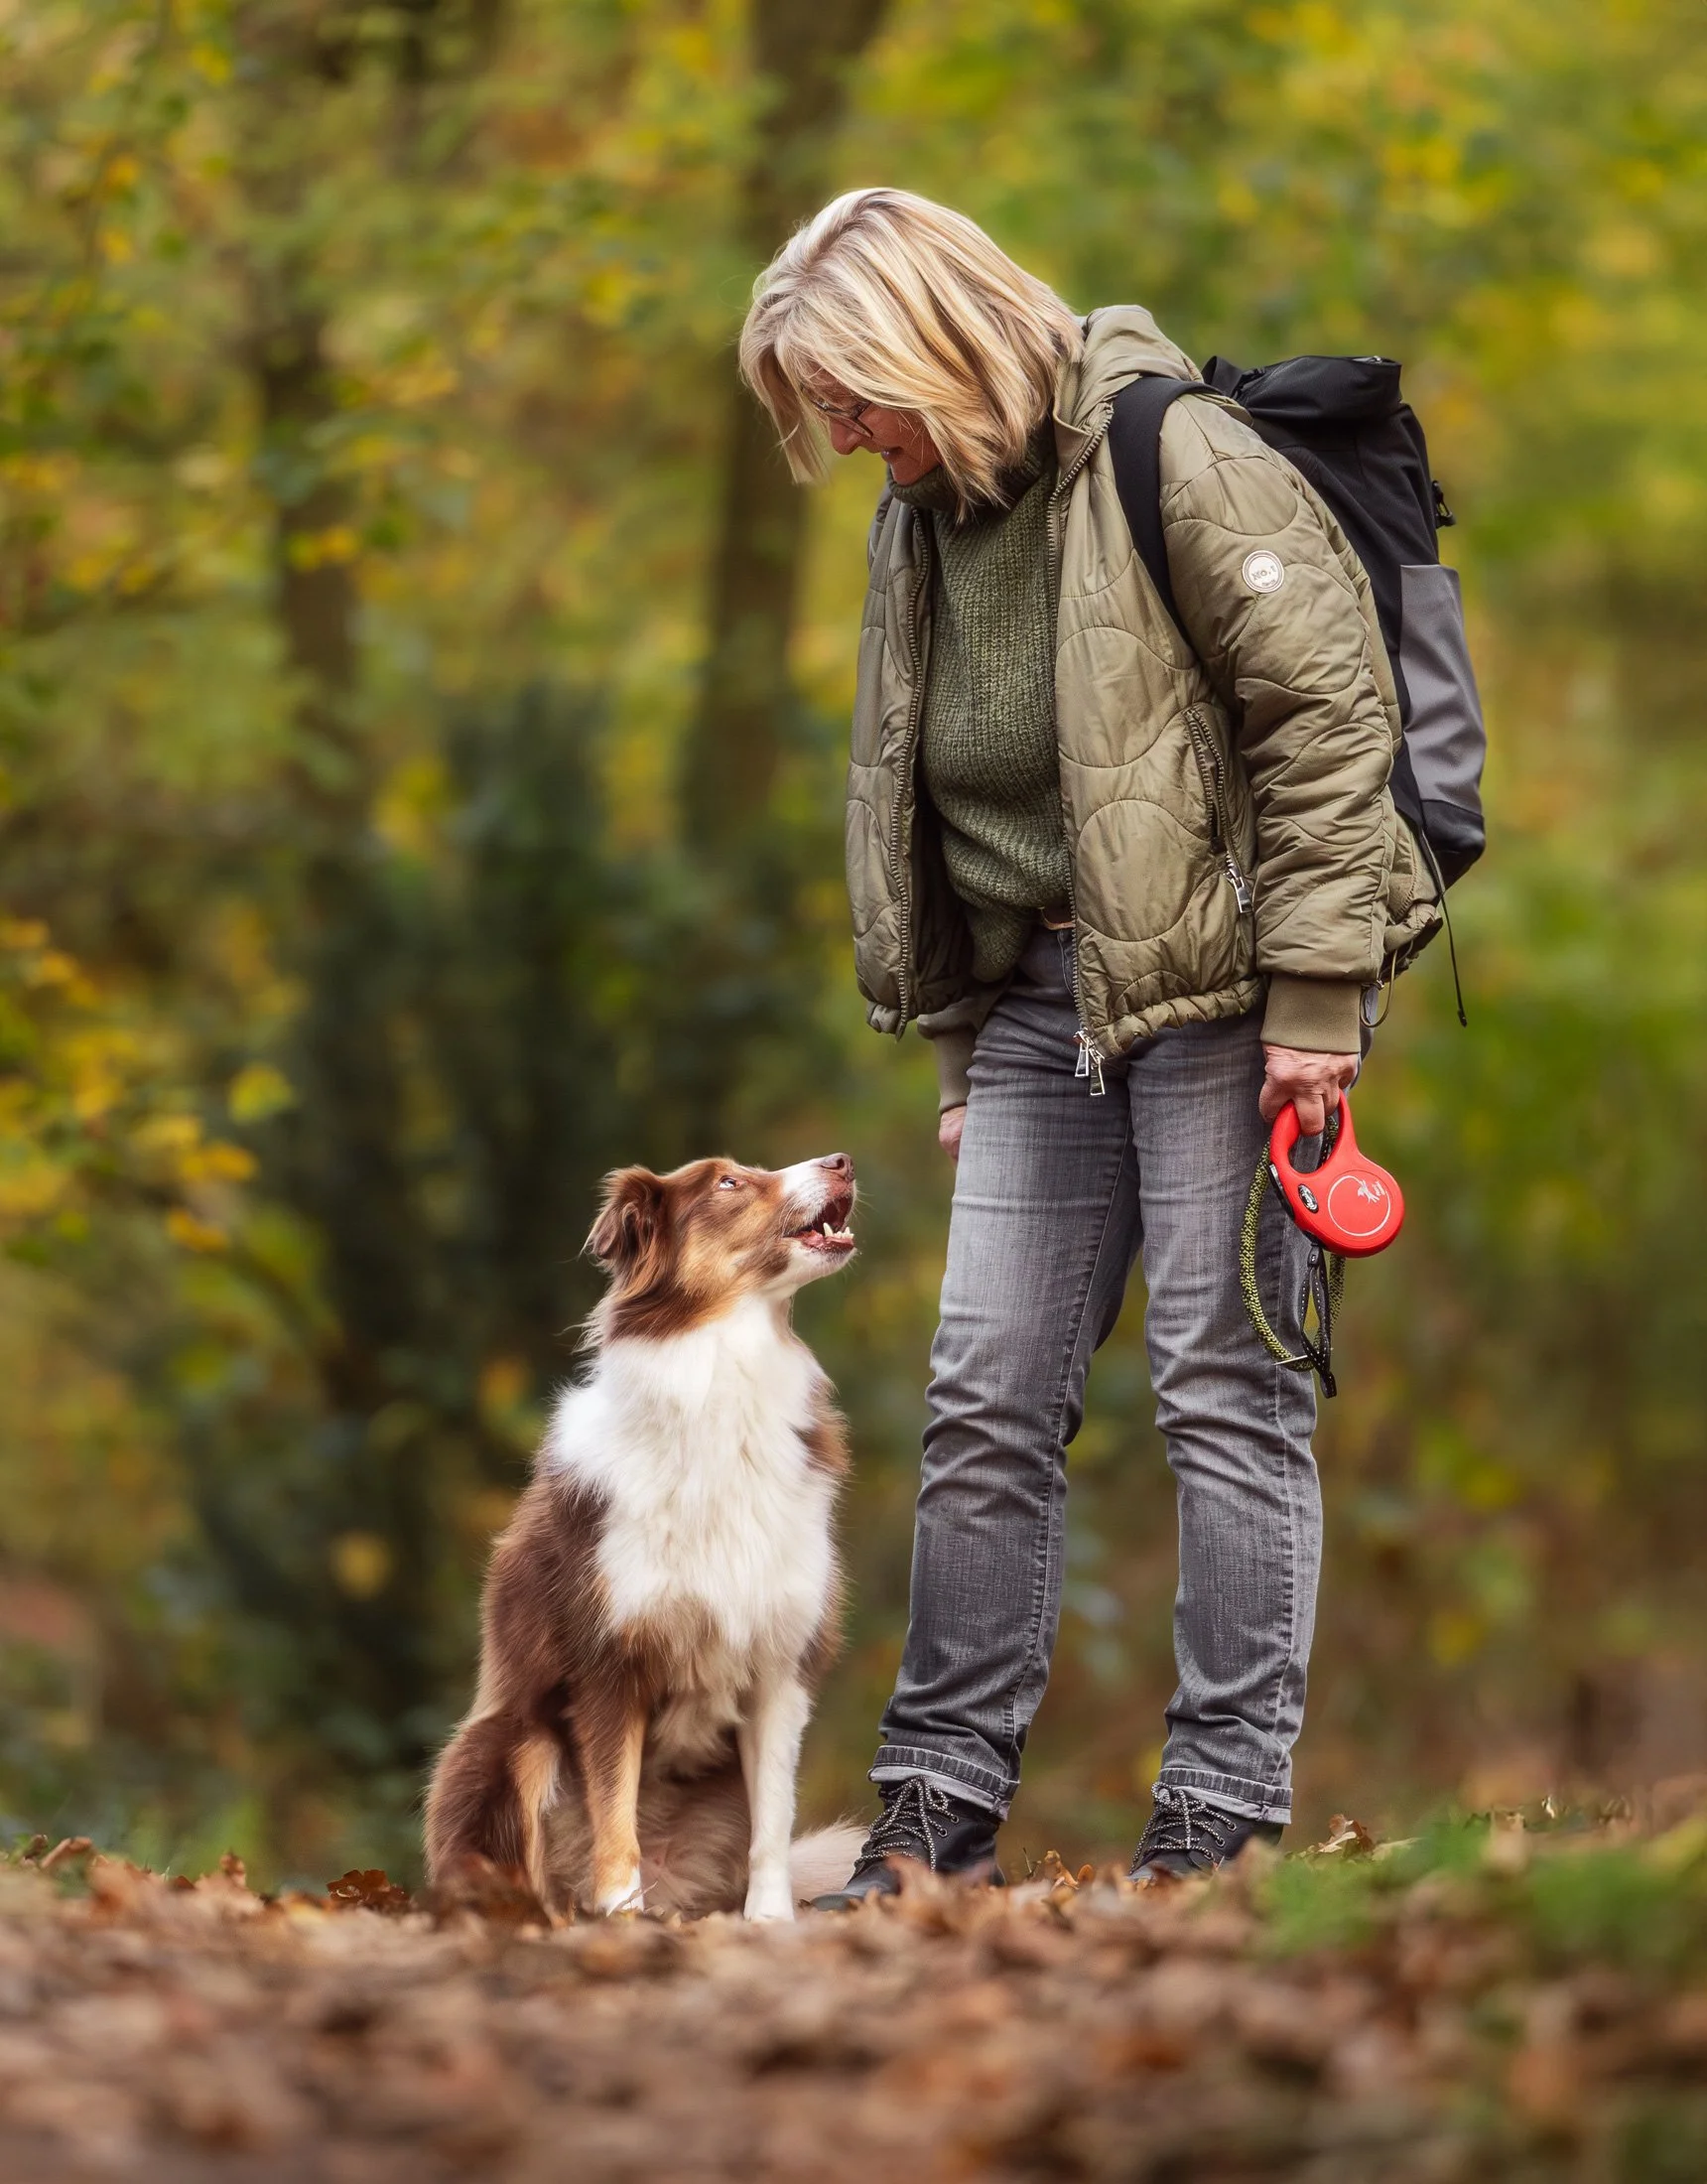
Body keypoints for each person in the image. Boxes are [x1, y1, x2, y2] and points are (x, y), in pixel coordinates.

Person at [738, 189, 1440, 1895]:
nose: (836, 431)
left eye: (851, 390)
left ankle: (1217, 1817)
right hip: (1038, 1009)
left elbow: (1327, 725)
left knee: (1224, 1394)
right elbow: (926, 801)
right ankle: (933, 1807)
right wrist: (964, 1054)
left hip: (1226, 999)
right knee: (982, 1399)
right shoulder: (921, 515)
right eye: (810, 404)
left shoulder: (1165, 453)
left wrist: (1319, 1011)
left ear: (937, 339)